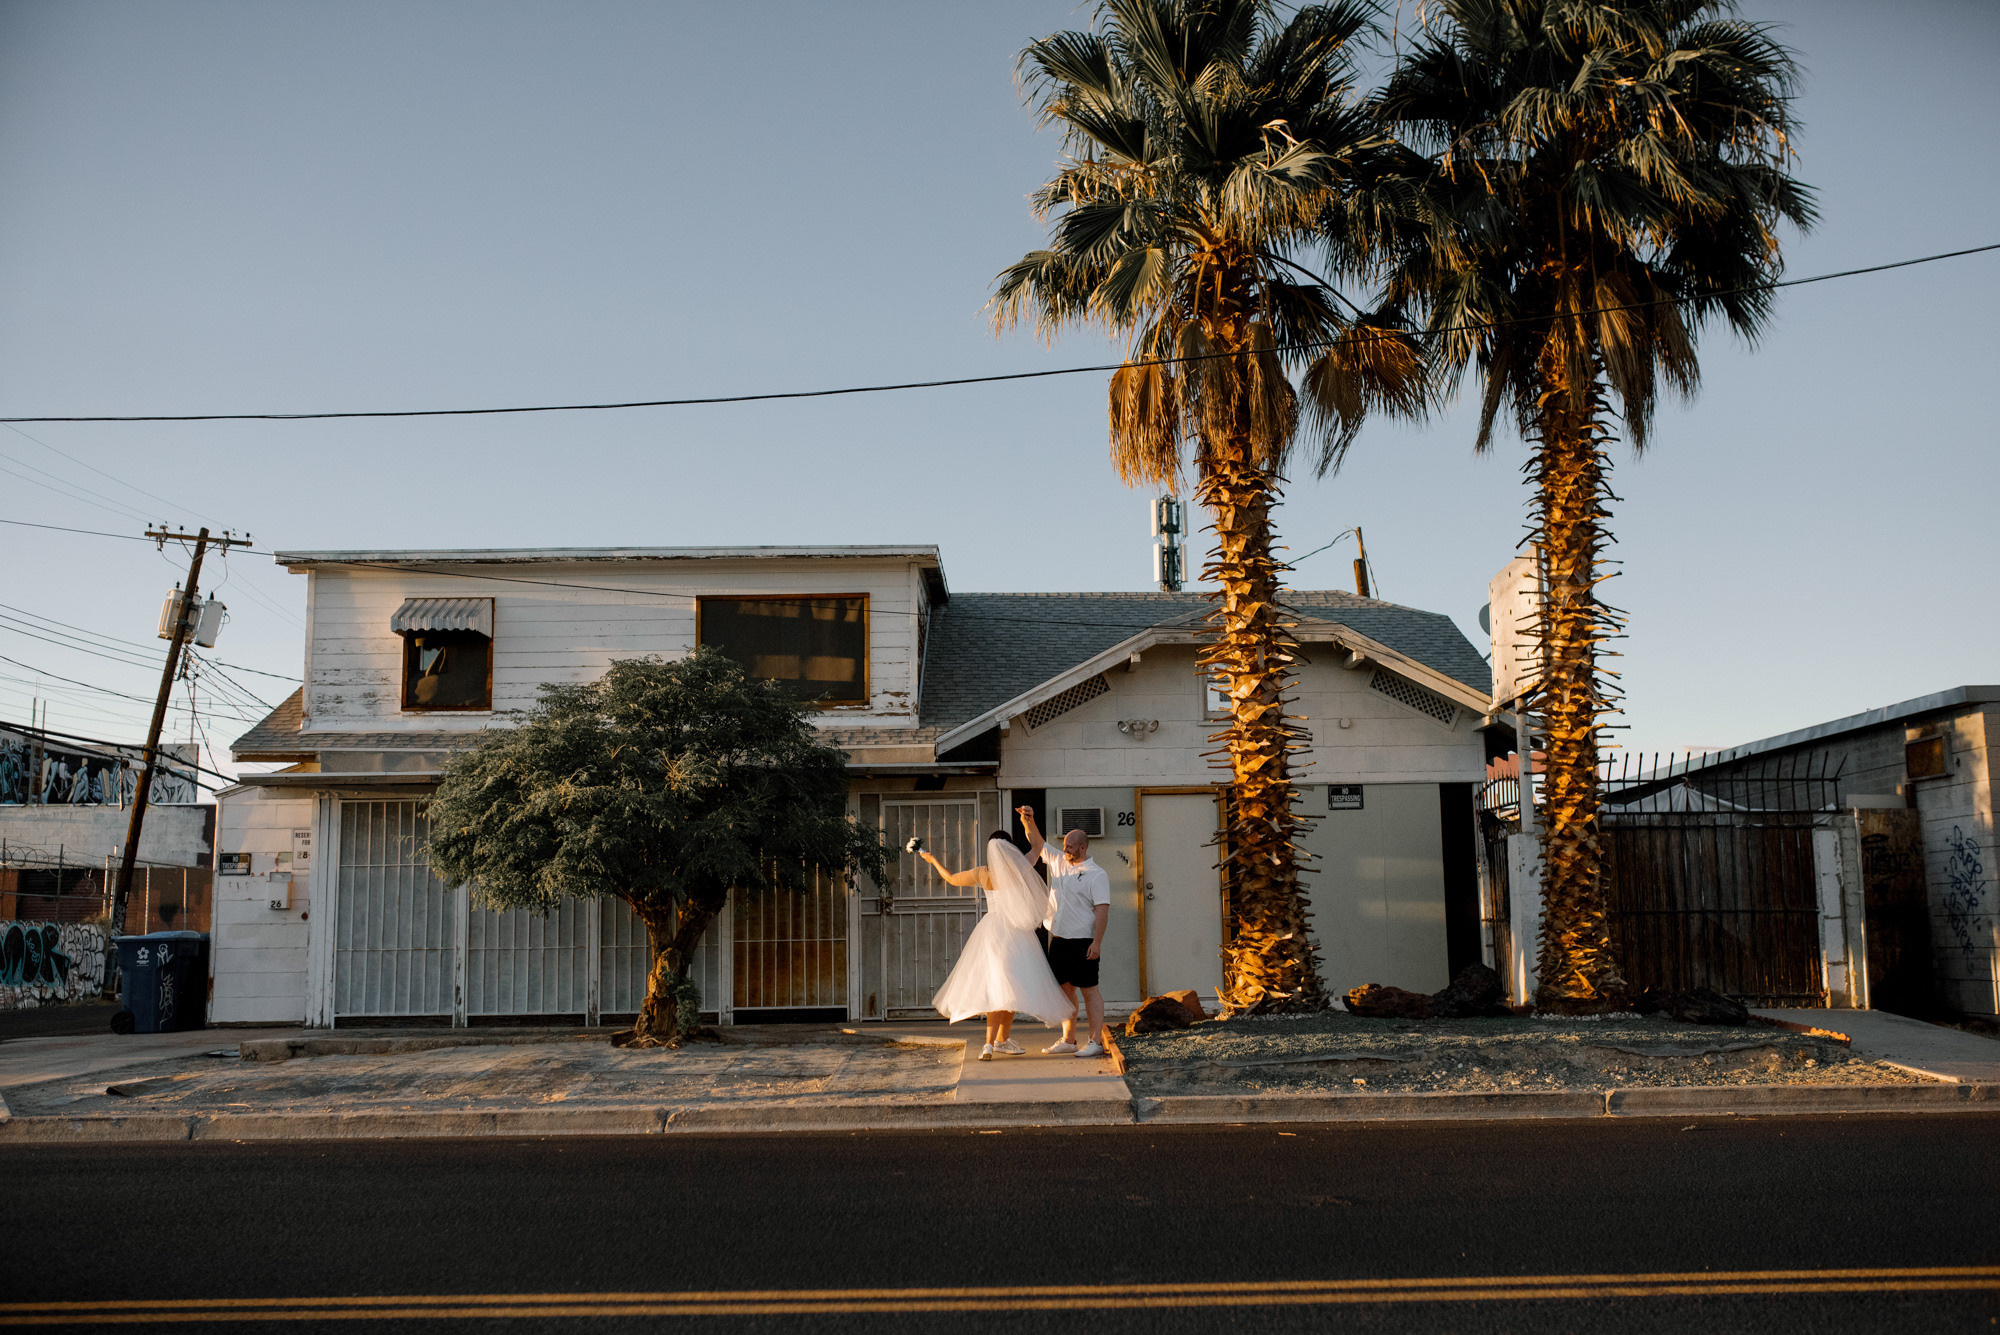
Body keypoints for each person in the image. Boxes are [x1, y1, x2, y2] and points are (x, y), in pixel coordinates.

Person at [922, 832, 1074, 1061]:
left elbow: (951, 878)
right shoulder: (1019, 869)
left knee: (1004, 987)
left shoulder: (983, 873)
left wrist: (933, 861)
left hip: (991, 931)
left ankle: (999, 1042)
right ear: (1009, 848)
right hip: (1016, 932)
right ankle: (991, 1043)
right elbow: (1037, 848)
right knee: (1011, 984)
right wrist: (1028, 823)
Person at [1017, 806, 1111, 1058]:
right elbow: (1037, 841)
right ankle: (1069, 1039)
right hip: (1058, 940)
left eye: (1070, 846)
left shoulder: (1096, 874)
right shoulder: (1058, 861)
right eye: (1065, 845)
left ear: (1083, 848)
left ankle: (1095, 1042)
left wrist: (1097, 943)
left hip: (1083, 942)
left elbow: (1102, 911)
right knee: (1064, 991)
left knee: (1089, 990)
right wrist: (1029, 819)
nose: (1065, 849)